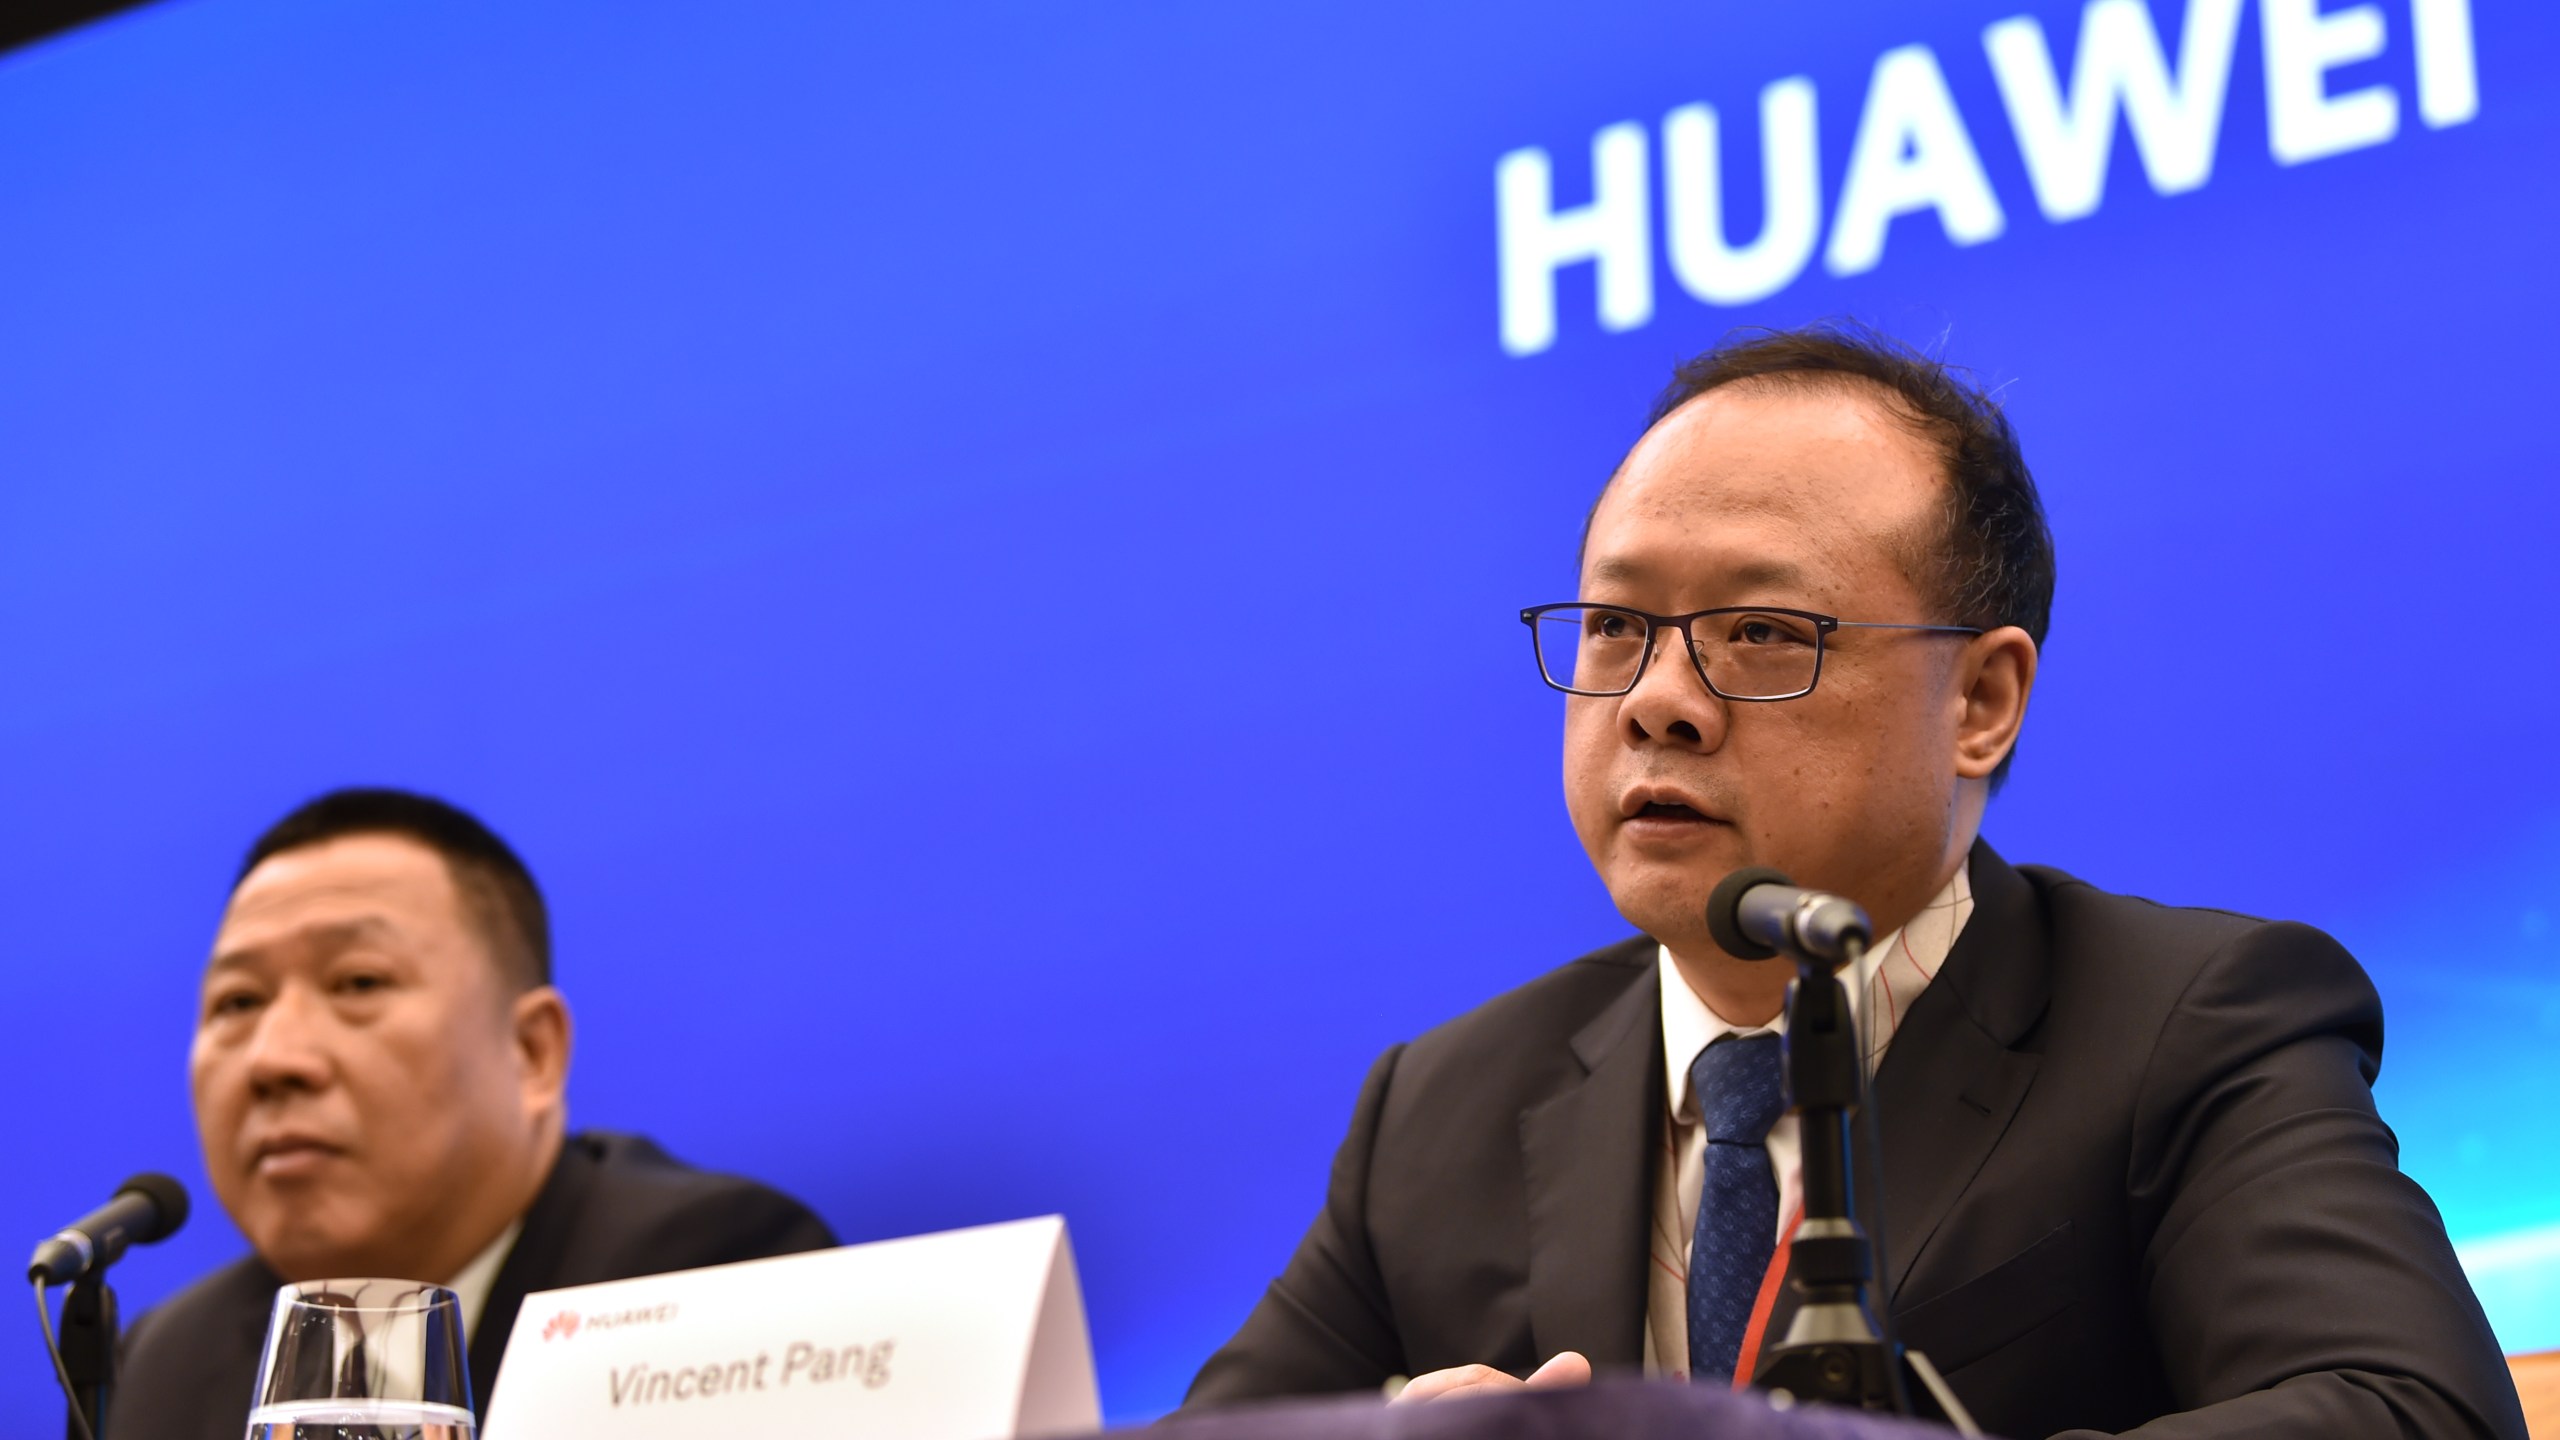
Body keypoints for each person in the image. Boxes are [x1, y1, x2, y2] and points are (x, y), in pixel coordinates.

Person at [1186, 325, 2527, 1438]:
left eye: (1763, 633)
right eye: (1615, 627)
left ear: (1982, 701)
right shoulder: (1442, 1110)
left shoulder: (2187, 1024)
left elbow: (2412, 1412)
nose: (1658, 703)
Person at [109, 788, 838, 1440]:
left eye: (358, 981)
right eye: (238, 1002)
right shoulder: (167, 1360)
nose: (276, 1058)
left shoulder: (706, 1282)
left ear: (531, 1053)